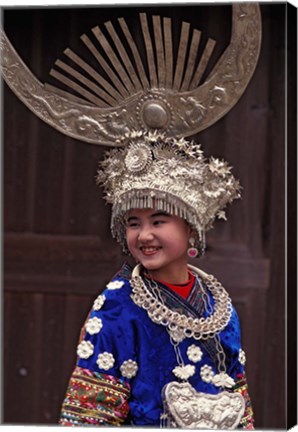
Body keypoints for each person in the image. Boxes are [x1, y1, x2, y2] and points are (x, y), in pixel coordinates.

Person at [59, 131, 254, 429]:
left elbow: (239, 401)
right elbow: (91, 417)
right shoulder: (117, 306)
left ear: (190, 228)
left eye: (158, 221)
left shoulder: (218, 305)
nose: (144, 235)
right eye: (134, 223)